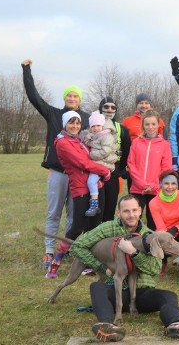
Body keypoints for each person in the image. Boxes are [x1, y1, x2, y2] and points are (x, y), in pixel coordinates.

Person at [70, 194, 179, 342]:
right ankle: (107, 326)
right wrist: (100, 266)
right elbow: (77, 247)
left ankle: (177, 325)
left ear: (140, 211)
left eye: (134, 210)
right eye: (126, 211)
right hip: (114, 290)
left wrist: (134, 253)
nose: (131, 215)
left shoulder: (150, 235)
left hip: (142, 291)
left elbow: (155, 269)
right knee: (96, 287)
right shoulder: (107, 228)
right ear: (118, 212)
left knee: (169, 296)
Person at [21, 59, 89, 267]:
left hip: (78, 175)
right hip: (58, 172)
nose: (71, 98)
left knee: (73, 214)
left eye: (75, 95)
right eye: (69, 94)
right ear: (64, 98)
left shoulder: (85, 118)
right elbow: (34, 97)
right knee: (54, 213)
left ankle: (65, 248)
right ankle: (49, 251)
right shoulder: (53, 114)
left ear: (80, 100)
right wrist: (26, 71)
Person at [48, 111, 111, 278]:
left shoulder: (80, 139)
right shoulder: (62, 143)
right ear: (65, 124)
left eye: (77, 123)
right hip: (81, 189)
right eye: (71, 123)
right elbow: (82, 163)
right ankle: (57, 260)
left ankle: (90, 263)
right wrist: (104, 170)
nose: (75, 126)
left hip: (97, 186)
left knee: (95, 227)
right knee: (77, 227)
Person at [128, 110, 172, 230]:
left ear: (158, 125)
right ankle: (132, 244)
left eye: (153, 124)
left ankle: (151, 246)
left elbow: (166, 168)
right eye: (147, 124)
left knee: (153, 221)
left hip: (155, 190)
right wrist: (141, 184)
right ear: (143, 125)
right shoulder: (136, 142)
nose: (150, 127)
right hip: (138, 189)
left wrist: (153, 185)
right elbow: (131, 164)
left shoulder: (164, 144)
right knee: (133, 220)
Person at [148, 170, 179, 280]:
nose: (170, 187)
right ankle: (162, 262)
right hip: (165, 231)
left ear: (177, 185)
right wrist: (168, 235)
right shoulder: (153, 202)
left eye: (173, 184)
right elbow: (160, 226)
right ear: (160, 185)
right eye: (166, 183)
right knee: (159, 236)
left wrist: (175, 229)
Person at [97, 97, 131, 223]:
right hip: (95, 175)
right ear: (100, 109)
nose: (109, 110)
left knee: (109, 213)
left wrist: (120, 170)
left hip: (113, 175)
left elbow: (127, 152)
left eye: (113, 107)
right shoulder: (92, 127)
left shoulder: (122, 129)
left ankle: (107, 241)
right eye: (106, 107)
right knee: (95, 213)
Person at [80, 110, 118, 217]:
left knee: (91, 182)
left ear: (102, 125)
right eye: (93, 126)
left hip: (102, 164)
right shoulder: (94, 136)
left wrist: (91, 155)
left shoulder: (107, 136)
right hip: (99, 162)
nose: (95, 128)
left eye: (98, 125)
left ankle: (94, 204)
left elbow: (105, 151)